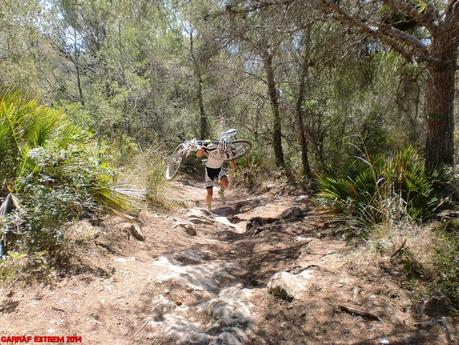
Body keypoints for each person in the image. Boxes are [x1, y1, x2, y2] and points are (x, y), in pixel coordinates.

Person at [196, 138, 237, 210]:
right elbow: (198, 155)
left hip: (218, 169)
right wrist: (201, 149)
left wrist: (235, 169)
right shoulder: (212, 148)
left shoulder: (228, 153)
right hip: (209, 170)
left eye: (224, 151)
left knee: (226, 183)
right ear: (219, 146)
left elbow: (232, 160)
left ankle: (221, 192)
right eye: (221, 149)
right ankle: (209, 207)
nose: (222, 152)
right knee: (210, 193)